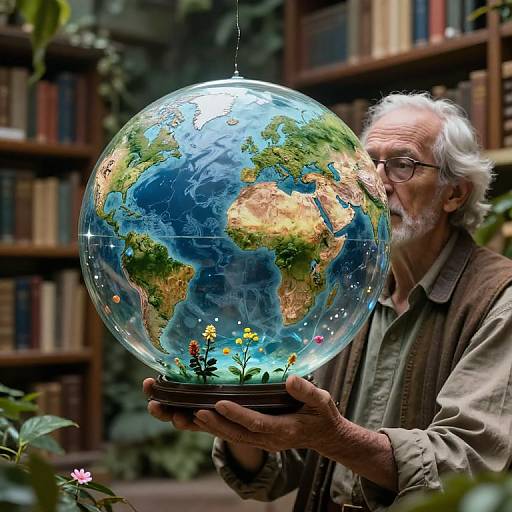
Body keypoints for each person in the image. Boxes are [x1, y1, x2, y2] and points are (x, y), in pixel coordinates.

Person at [143, 93, 512, 511]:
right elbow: (284, 467)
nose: (377, 182)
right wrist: (235, 418)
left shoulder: (500, 302)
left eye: (403, 165)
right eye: (365, 163)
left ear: (455, 194)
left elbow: (467, 470)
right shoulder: (344, 285)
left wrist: (330, 435)